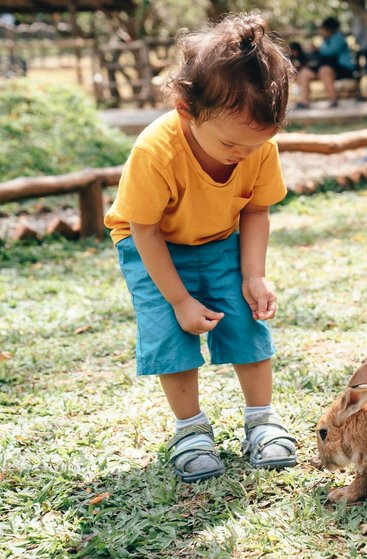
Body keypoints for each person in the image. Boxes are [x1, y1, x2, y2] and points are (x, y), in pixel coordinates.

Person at [103, 13, 298, 483]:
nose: (243, 155)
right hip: (152, 245)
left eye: (256, 146)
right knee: (173, 332)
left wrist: (253, 274)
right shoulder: (156, 152)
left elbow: (255, 210)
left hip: (219, 240)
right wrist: (180, 300)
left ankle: (262, 420)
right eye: (232, 143)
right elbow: (144, 230)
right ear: (187, 109)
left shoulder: (256, 151)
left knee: (245, 318)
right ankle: (190, 430)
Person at [295, 16, 356, 108]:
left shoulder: (339, 38)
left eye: (322, 29)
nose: (320, 32)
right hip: (326, 67)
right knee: (304, 73)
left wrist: (316, 49)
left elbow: (329, 51)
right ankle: (304, 102)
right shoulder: (325, 41)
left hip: (343, 68)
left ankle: (334, 101)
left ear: (328, 29)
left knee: (324, 71)